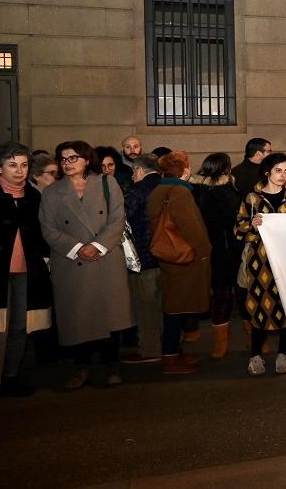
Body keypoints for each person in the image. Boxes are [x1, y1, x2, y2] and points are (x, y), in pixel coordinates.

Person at [39, 140, 133, 390]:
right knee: (77, 318)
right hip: (72, 262)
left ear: (86, 159)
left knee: (110, 316)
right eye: (63, 159)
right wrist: (78, 248)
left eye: (73, 158)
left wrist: (98, 246)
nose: (67, 164)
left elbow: (117, 219)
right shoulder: (51, 192)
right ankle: (81, 369)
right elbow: (48, 228)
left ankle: (113, 365)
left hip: (105, 258)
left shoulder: (106, 182)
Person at [0, 142, 54, 408]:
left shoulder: (33, 196)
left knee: (19, 326)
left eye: (24, 165)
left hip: (26, 272)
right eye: (12, 165)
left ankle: (10, 377)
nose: (19, 171)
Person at [235, 153, 286, 376]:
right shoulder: (252, 198)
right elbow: (238, 229)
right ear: (267, 172)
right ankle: (255, 355)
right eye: (278, 170)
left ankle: (283, 353)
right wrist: (252, 226)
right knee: (259, 307)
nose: (283, 175)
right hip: (260, 262)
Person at [148, 152, 212, 375]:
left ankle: (175, 352)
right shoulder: (180, 192)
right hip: (184, 258)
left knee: (174, 306)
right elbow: (192, 228)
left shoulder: (158, 189)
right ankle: (171, 358)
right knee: (177, 309)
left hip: (168, 255)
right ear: (184, 171)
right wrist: (205, 252)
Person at [189, 152, 241, 360]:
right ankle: (226, 343)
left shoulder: (196, 189)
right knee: (231, 296)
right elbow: (234, 217)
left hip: (211, 249)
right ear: (225, 168)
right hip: (225, 249)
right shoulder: (225, 190)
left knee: (222, 296)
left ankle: (221, 345)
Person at [121, 153, 164, 364]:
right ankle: (170, 345)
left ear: (139, 170)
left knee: (145, 307)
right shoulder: (169, 187)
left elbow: (123, 221)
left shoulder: (136, 190)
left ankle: (150, 349)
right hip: (168, 256)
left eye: (133, 171)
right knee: (165, 304)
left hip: (142, 257)